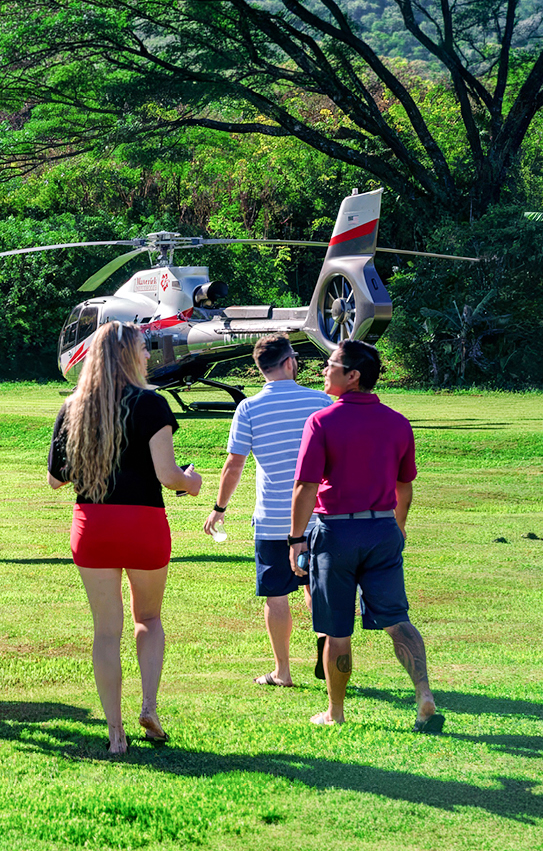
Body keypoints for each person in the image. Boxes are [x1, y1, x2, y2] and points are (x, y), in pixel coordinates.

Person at [47, 322, 202, 754]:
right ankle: (149, 704)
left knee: (105, 632)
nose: (149, 356)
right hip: (143, 524)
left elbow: (55, 480)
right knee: (148, 619)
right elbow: (167, 475)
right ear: (128, 355)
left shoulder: (73, 407)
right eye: (143, 349)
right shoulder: (151, 404)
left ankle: (115, 734)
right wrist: (193, 483)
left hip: (92, 525)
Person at [289, 339, 442, 733]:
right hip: (382, 528)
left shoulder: (321, 422)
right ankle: (424, 693)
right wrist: (398, 526)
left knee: (337, 629)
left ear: (352, 375)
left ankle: (335, 712)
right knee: (397, 620)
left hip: (336, 531)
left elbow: (306, 487)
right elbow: (404, 485)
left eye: (331, 365)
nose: (324, 370)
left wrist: (295, 540)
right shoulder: (397, 421)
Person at [203, 334, 331, 687]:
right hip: (318, 515)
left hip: (274, 517)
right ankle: (326, 649)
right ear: (289, 362)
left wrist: (219, 508)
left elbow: (234, 465)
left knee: (275, 594)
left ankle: (283, 671)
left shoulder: (249, 408)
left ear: (261, 368)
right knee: (315, 587)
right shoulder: (320, 401)